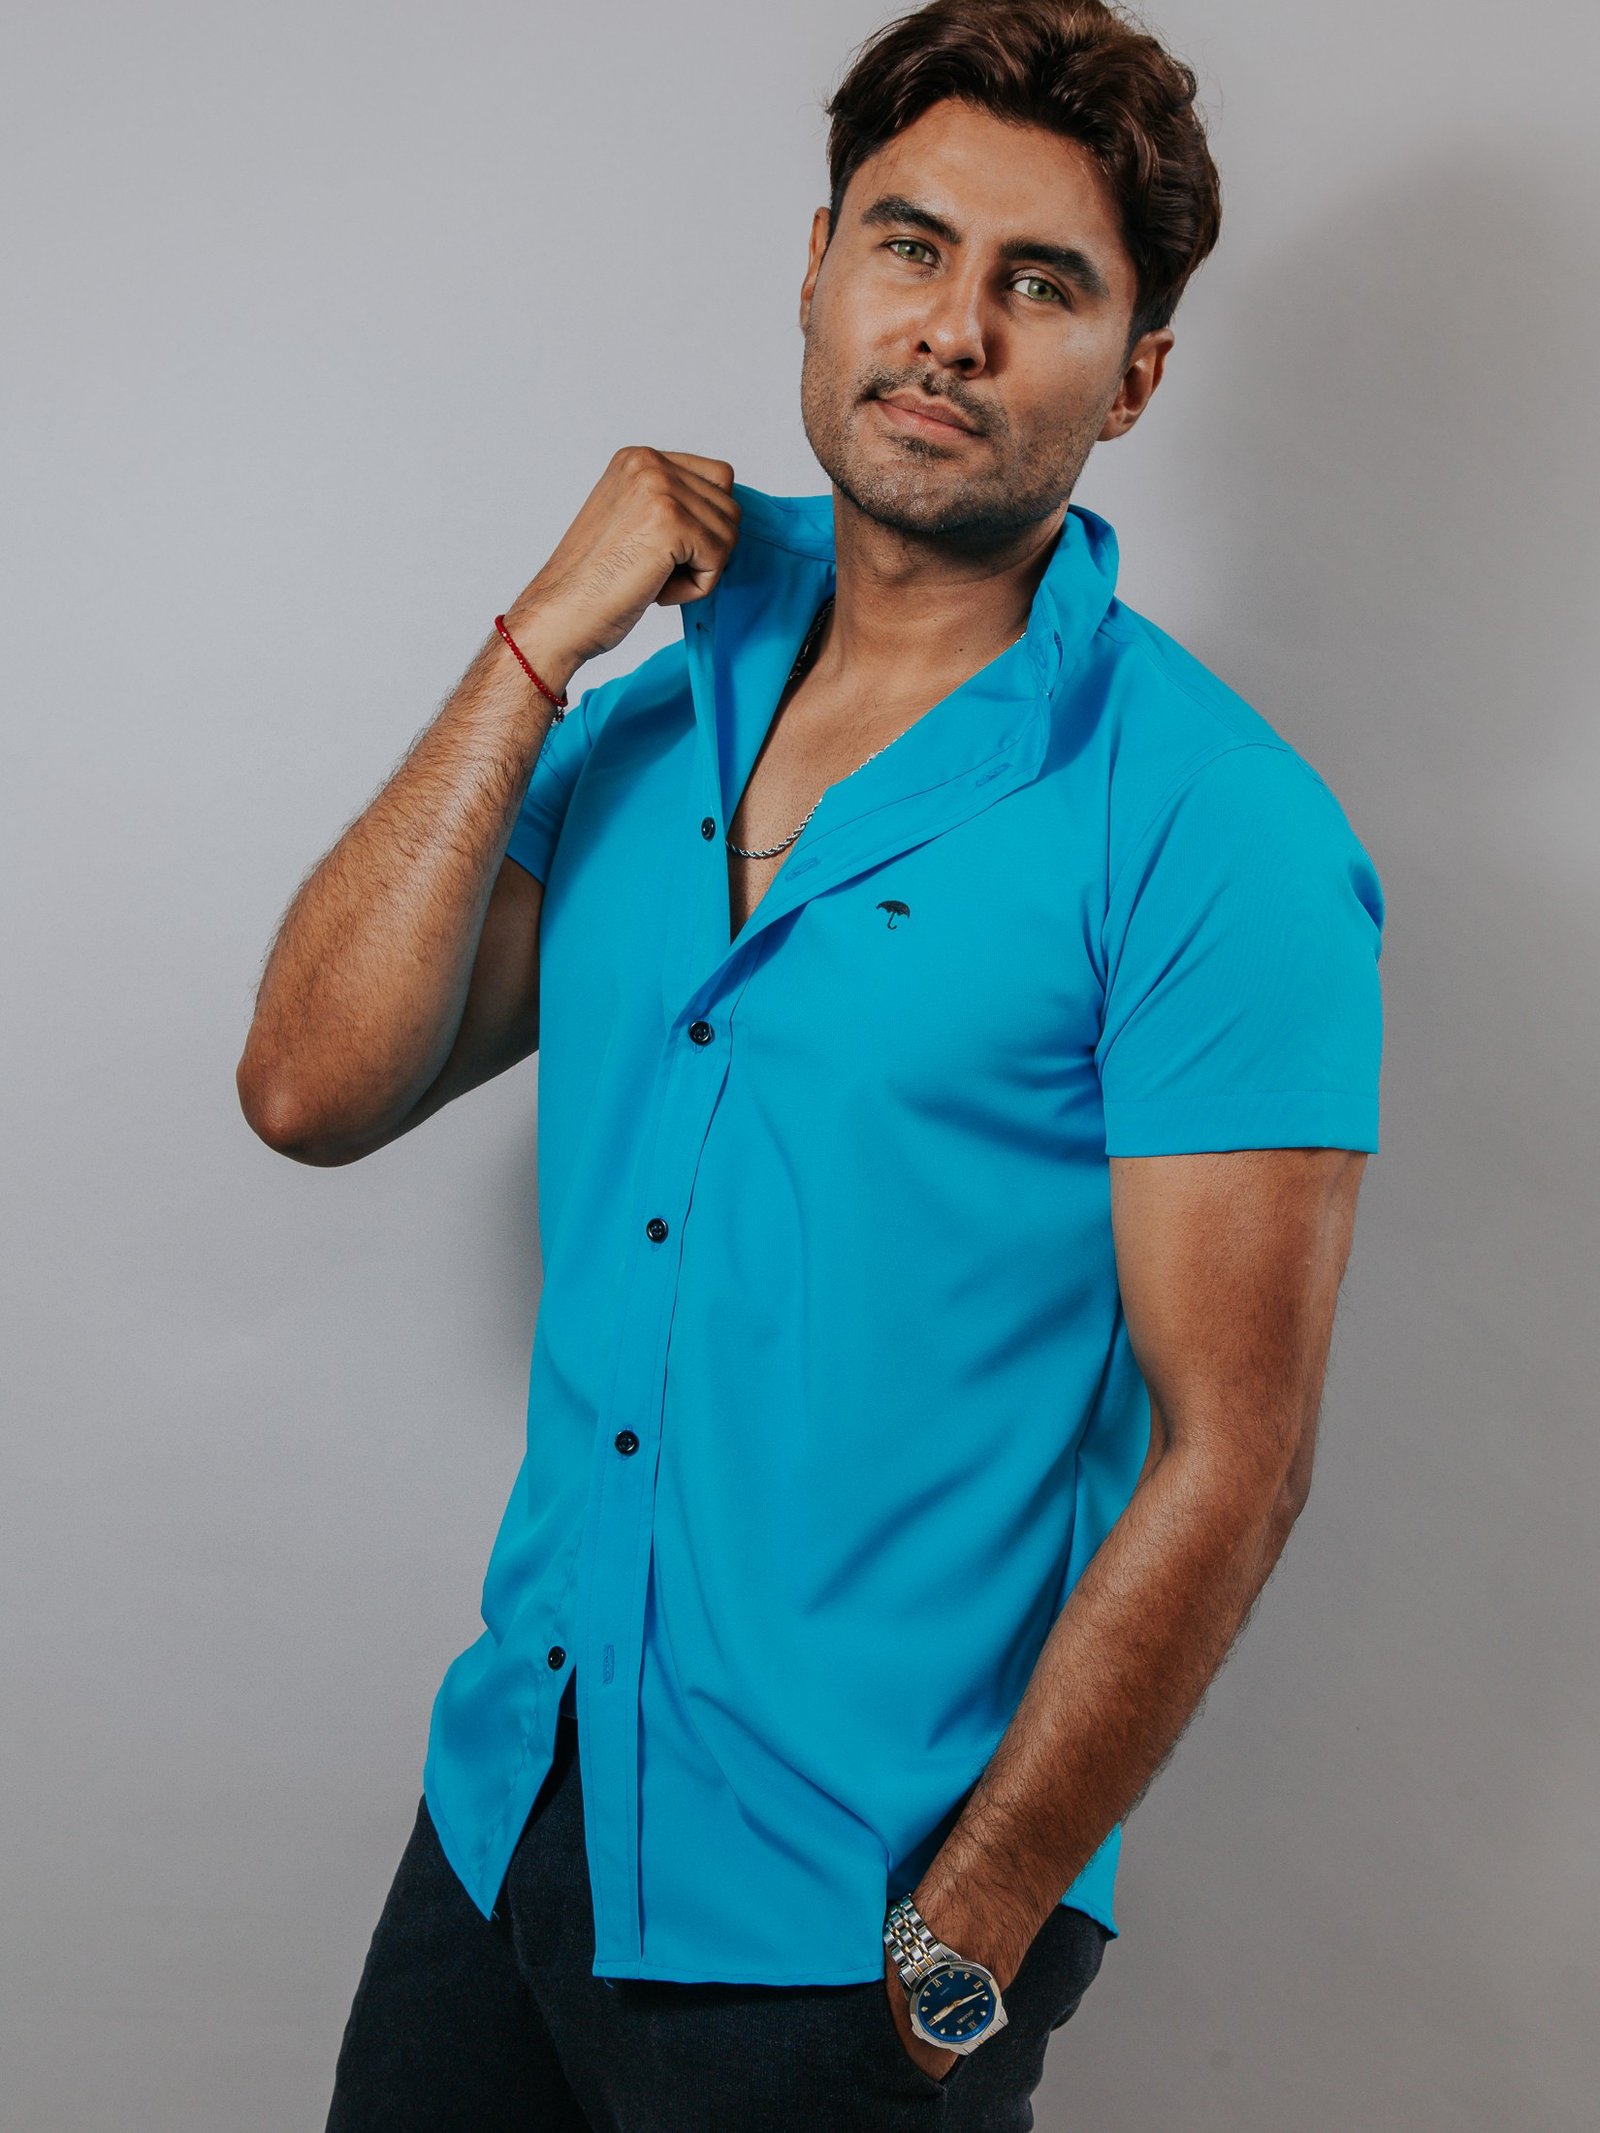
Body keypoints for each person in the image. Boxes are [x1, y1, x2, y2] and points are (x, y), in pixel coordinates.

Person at [236, 2, 1386, 2126]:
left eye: (1040, 285)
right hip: (512, 1811)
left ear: (1133, 374)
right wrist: (538, 637)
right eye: (909, 245)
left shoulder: (1217, 829)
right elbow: (309, 1086)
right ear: (816, 267)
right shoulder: (641, 721)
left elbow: (1237, 1450)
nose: (951, 327)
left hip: (848, 1929)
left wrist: (970, 1934)